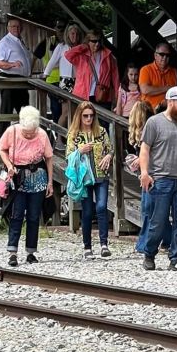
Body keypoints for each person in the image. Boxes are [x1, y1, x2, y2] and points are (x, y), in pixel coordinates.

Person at [139, 86, 177, 271]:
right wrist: (144, 173)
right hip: (160, 179)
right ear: (170, 102)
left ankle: (176, 258)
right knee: (158, 221)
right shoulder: (154, 122)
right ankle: (149, 253)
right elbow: (145, 149)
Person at [0, 106, 54, 267]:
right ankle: (12, 251)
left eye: (32, 132)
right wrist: (9, 165)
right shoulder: (12, 131)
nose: (29, 135)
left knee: (34, 216)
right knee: (16, 215)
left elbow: (49, 158)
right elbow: (2, 149)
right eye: (26, 132)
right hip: (18, 178)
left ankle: (31, 251)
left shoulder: (42, 134)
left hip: (38, 178)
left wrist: (50, 182)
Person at [66, 101, 114, 259]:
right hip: (84, 177)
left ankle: (104, 244)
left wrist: (109, 156)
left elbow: (110, 149)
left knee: (101, 207)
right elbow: (68, 156)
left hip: (101, 174)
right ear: (79, 116)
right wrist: (79, 151)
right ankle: (87, 246)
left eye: (91, 116)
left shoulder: (101, 131)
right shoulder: (74, 134)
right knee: (87, 212)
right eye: (85, 116)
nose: (88, 119)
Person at [0, 17, 33, 138]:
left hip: (21, 81)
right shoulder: (4, 42)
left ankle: (27, 138)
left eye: (18, 26)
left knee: (25, 111)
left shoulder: (20, 41)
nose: (16, 28)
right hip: (9, 80)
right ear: (8, 28)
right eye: (13, 26)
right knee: (6, 110)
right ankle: (1, 139)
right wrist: (12, 64)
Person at [125, 100, 155, 252]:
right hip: (146, 173)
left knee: (148, 210)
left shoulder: (149, 129)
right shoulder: (147, 129)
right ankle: (145, 243)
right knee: (148, 209)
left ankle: (144, 244)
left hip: (151, 173)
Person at [65, 30, 119, 109]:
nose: (97, 44)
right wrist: (82, 47)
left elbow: (115, 77)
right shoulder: (82, 55)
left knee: (103, 117)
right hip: (83, 95)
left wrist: (117, 96)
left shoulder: (108, 55)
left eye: (99, 41)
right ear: (88, 41)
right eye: (94, 41)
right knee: (84, 116)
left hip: (103, 95)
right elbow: (68, 55)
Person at [44, 23, 82, 131]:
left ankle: (72, 136)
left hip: (79, 81)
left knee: (76, 112)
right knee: (65, 112)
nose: (74, 36)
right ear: (68, 34)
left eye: (77, 34)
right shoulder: (61, 46)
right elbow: (52, 62)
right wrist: (45, 75)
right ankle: (59, 138)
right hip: (66, 81)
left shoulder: (81, 48)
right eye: (72, 33)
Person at [139, 42, 177, 110]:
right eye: (162, 54)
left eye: (167, 55)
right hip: (150, 112)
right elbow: (145, 90)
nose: (165, 57)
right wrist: (168, 88)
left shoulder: (174, 72)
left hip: (170, 110)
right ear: (155, 55)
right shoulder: (146, 69)